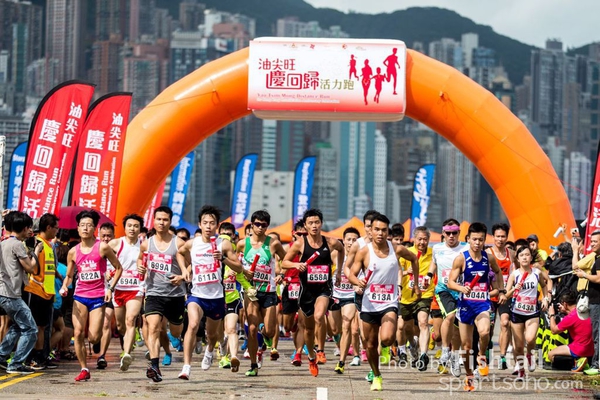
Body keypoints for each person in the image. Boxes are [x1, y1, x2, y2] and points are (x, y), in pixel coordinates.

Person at [348, 212, 419, 391]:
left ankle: (387, 348)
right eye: (377, 229)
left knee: (387, 338)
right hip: (369, 303)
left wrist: (416, 284)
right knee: (370, 344)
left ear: (388, 232)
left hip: (389, 302)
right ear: (370, 231)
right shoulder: (364, 252)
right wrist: (358, 282)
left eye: (384, 230)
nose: (380, 233)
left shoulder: (396, 249)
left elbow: (414, 259)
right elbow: (351, 274)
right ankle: (376, 374)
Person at [177, 205, 242, 380]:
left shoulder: (223, 244)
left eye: (212, 223)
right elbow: (180, 253)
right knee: (192, 325)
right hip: (197, 295)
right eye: (205, 223)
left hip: (216, 297)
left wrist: (224, 259)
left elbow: (239, 268)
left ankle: (210, 350)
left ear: (217, 226)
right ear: (200, 224)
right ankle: (186, 367)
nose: (208, 226)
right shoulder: (193, 243)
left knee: (212, 335)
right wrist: (184, 270)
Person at [60, 210, 123, 382]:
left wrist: (110, 288)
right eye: (82, 225)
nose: (85, 228)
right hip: (80, 295)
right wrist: (65, 286)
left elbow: (119, 268)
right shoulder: (73, 252)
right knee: (78, 332)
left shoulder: (102, 247)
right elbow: (69, 275)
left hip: (97, 297)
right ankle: (84, 368)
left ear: (94, 228)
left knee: (94, 336)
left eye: (89, 225)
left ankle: (96, 341)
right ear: (78, 228)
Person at [282, 208, 345, 377]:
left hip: (324, 289)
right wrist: (296, 265)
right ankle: (311, 357)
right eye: (310, 223)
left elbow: (341, 249)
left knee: (319, 315)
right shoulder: (300, 244)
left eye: (317, 222)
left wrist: (338, 271)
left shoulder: (330, 242)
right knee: (308, 330)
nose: (314, 226)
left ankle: (321, 351)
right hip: (306, 291)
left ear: (321, 223)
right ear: (305, 225)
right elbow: (284, 262)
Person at [448, 222, 506, 392]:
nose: (477, 243)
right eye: (474, 239)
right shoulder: (461, 258)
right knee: (466, 347)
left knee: (485, 332)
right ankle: (469, 375)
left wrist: (501, 290)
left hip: (482, 304)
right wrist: (461, 288)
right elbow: (451, 282)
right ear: (468, 239)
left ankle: (481, 356)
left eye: (481, 239)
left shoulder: (489, 258)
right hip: (465, 305)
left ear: (484, 240)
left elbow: (498, 272)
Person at [137, 206, 189, 383]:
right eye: (158, 219)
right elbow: (140, 258)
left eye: (165, 219)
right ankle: (154, 366)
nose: (161, 222)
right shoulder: (147, 243)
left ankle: (177, 332)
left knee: (175, 331)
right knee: (153, 327)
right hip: (154, 292)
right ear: (154, 221)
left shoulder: (178, 243)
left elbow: (192, 264)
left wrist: (182, 276)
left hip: (175, 295)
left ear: (170, 221)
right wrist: (140, 267)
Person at [237, 210, 287, 377]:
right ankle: (253, 364)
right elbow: (236, 265)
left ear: (267, 227)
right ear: (252, 225)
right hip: (251, 291)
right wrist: (244, 272)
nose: (260, 227)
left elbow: (286, 260)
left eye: (263, 225)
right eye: (257, 224)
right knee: (251, 329)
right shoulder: (243, 244)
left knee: (270, 331)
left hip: (269, 291)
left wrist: (281, 275)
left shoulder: (273, 244)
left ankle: (264, 336)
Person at [0, 211, 39, 374]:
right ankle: (16, 364)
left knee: (18, 325)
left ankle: (2, 356)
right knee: (31, 329)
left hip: (4, 292)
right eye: (29, 227)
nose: (30, 231)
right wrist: (36, 251)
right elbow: (31, 268)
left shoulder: (4, 243)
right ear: (24, 228)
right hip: (11, 294)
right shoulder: (17, 245)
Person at [427, 218, 465, 375]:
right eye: (448, 233)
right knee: (450, 316)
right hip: (444, 289)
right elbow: (434, 263)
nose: (451, 236)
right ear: (443, 233)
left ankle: (455, 357)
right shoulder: (437, 248)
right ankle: (444, 351)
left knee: (457, 327)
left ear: (459, 233)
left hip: (461, 291)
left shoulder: (466, 248)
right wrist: (429, 275)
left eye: (454, 233)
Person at [108, 214, 145, 372]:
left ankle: (127, 354)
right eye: (129, 225)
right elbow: (103, 259)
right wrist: (108, 273)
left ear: (140, 229)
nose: (132, 229)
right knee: (120, 325)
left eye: (136, 226)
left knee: (131, 319)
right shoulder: (115, 243)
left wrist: (145, 269)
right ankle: (131, 337)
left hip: (136, 288)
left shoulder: (144, 246)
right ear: (124, 227)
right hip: (118, 288)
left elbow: (152, 262)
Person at [505, 245, 548, 379]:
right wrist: (514, 289)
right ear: (517, 259)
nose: (524, 257)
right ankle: (521, 370)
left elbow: (544, 285)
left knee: (530, 339)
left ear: (531, 257)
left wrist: (545, 298)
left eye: (527, 255)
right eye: (522, 255)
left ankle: (529, 354)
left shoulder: (537, 272)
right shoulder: (514, 274)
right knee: (518, 346)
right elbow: (506, 294)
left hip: (532, 312)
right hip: (517, 312)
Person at [24, 213, 60, 370]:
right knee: (36, 327)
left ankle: (41, 356)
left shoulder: (49, 245)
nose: (57, 231)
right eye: (56, 228)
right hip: (35, 290)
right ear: (49, 227)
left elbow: (50, 268)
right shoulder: (36, 243)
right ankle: (33, 357)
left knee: (44, 327)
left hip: (48, 292)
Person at [401, 226, 434, 371]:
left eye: (425, 239)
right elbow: (397, 271)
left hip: (425, 294)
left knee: (423, 322)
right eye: (419, 239)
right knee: (407, 328)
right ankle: (412, 344)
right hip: (407, 296)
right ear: (414, 239)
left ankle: (423, 355)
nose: (422, 242)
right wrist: (406, 272)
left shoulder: (433, 254)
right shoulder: (406, 253)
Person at [486, 223, 514, 370]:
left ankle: (502, 357)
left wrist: (507, 291)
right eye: (497, 236)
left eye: (503, 236)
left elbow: (516, 273)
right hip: (490, 295)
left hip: (505, 295)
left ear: (507, 237)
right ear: (493, 237)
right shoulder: (487, 253)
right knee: (488, 327)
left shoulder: (512, 254)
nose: (500, 239)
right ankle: (486, 348)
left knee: (505, 323)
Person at [332, 227, 360, 374]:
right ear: (343, 241)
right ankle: (340, 344)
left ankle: (341, 361)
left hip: (350, 296)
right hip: (335, 295)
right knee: (334, 329)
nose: (351, 242)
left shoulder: (361, 256)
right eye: (348, 239)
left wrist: (358, 285)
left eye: (354, 240)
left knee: (347, 325)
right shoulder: (335, 254)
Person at [548, 290, 594, 372]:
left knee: (551, 354)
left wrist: (551, 314)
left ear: (565, 304)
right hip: (592, 349)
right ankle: (584, 362)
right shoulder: (586, 311)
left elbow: (554, 330)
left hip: (579, 348)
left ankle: (577, 362)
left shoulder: (570, 317)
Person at [281, 221, 307, 367]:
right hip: (289, 287)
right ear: (293, 234)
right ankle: (293, 325)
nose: (302, 236)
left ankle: (298, 353)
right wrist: (281, 276)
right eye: (299, 234)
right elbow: (280, 265)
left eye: (305, 234)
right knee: (287, 326)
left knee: (303, 323)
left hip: (305, 288)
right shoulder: (287, 248)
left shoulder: (311, 249)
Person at [96, 222, 116, 369]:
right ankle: (96, 339)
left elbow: (122, 268)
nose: (106, 238)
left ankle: (102, 355)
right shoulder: (94, 248)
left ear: (113, 236)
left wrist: (112, 275)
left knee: (105, 323)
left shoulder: (118, 250)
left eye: (109, 236)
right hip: (95, 291)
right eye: (103, 235)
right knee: (96, 325)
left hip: (111, 291)